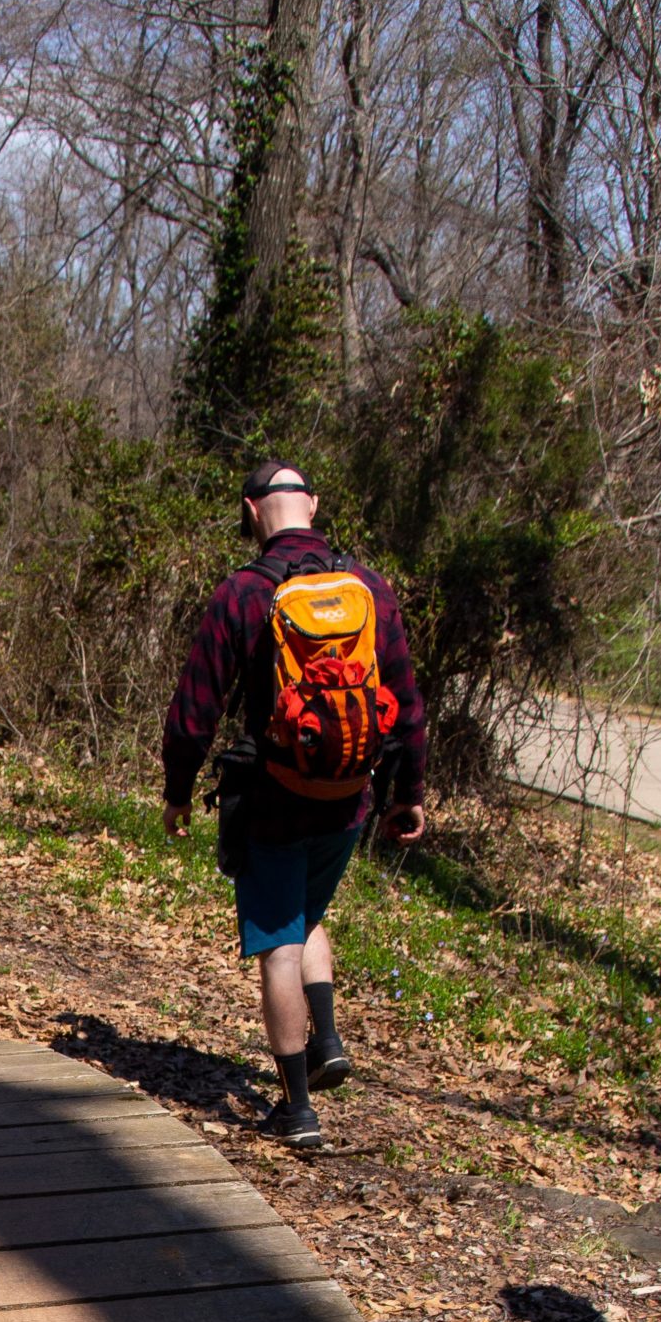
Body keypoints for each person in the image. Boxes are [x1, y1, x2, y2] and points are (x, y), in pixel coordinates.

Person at [162, 459, 427, 1150]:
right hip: (348, 796)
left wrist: (176, 792)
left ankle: (297, 1110)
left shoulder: (243, 593)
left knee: (277, 942)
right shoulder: (367, 587)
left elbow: (194, 710)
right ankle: (327, 1038)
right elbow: (407, 705)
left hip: (273, 796)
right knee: (307, 915)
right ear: (309, 503)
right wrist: (407, 795)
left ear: (252, 512)